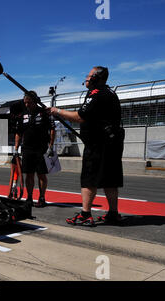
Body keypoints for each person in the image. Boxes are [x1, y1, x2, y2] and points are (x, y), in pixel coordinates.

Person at [47, 66, 125, 226]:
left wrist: (57, 111)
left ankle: (85, 214)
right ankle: (113, 213)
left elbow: (81, 116)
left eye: (89, 76)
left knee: (89, 179)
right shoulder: (110, 92)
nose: (86, 79)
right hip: (112, 143)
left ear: (96, 78)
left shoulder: (96, 93)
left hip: (98, 144)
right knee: (110, 179)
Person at [15, 91, 56, 213]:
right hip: (27, 149)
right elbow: (18, 132)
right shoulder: (22, 115)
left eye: (29, 102)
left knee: (41, 174)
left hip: (41, 149)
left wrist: (51, 146)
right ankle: (29, 197)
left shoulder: (44, 113)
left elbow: (52, 129)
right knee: (29, 174)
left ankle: (42, 197)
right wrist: (16, 149)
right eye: (25, 102)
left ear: (35, 101)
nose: (27, 105)